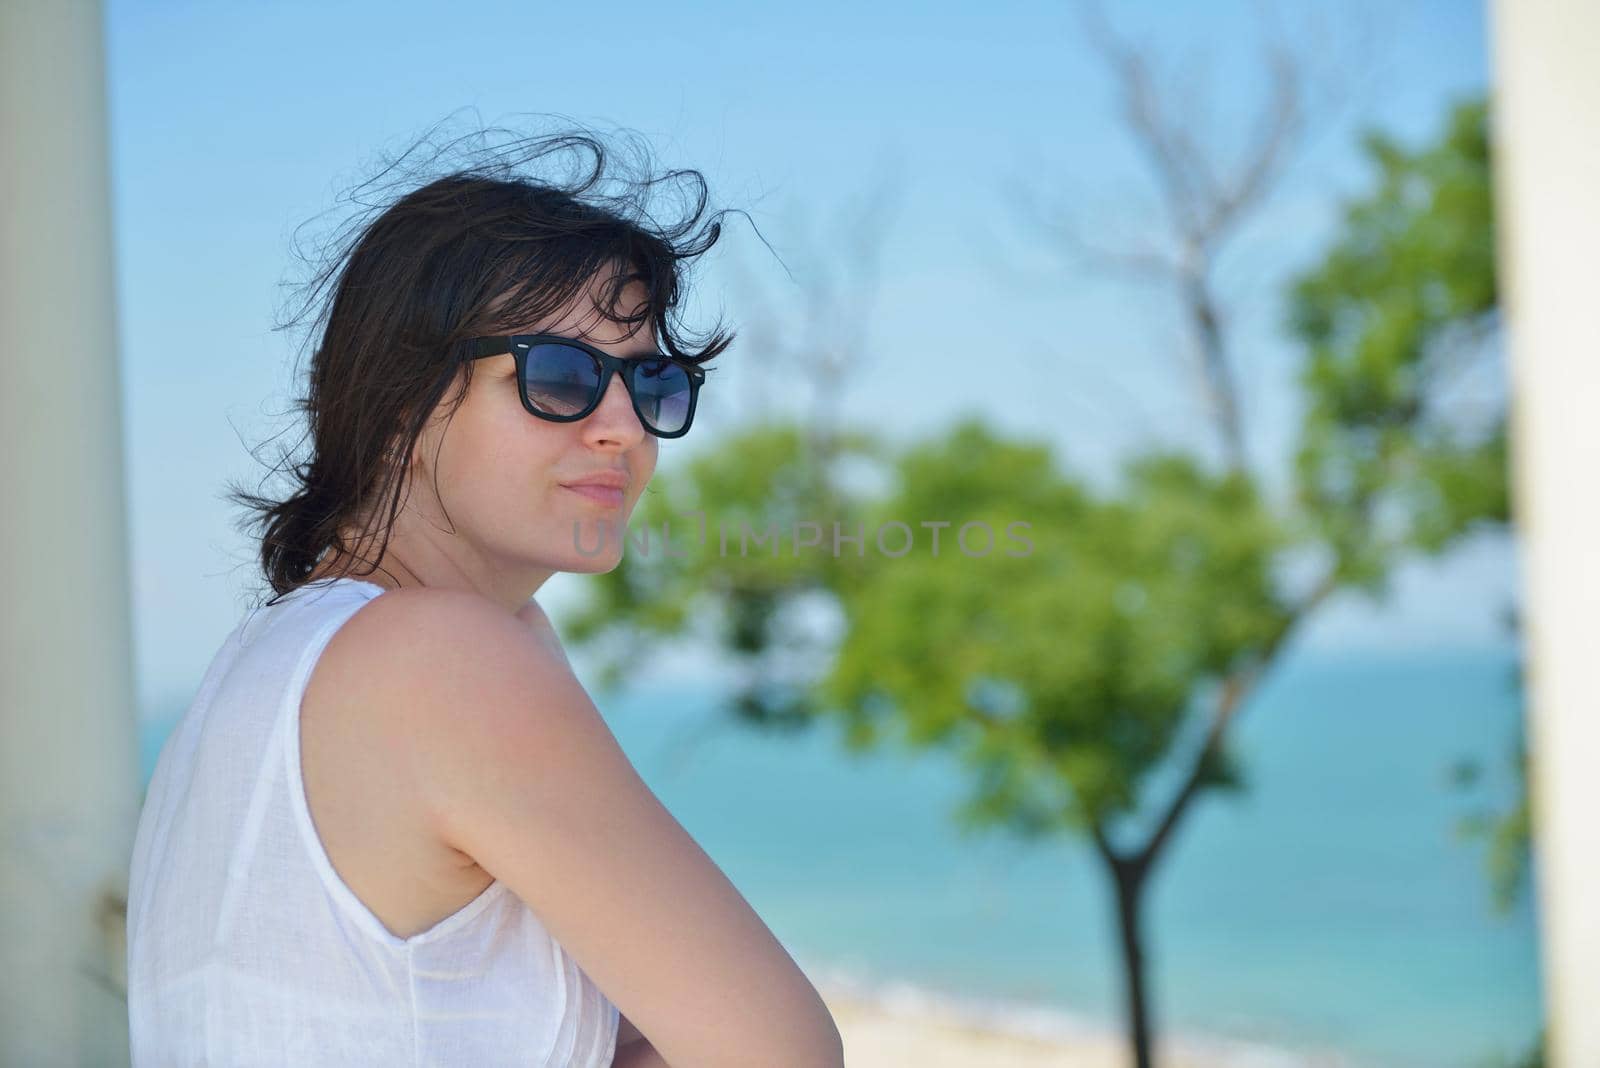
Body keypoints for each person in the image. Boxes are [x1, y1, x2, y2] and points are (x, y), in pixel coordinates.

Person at [125, 129, 845, 1068]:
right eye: (560, 376)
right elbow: (784, 1054)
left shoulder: (267, 668)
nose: (623, 429)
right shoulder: (438, 658)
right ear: (398, 409)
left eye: (652, 381)